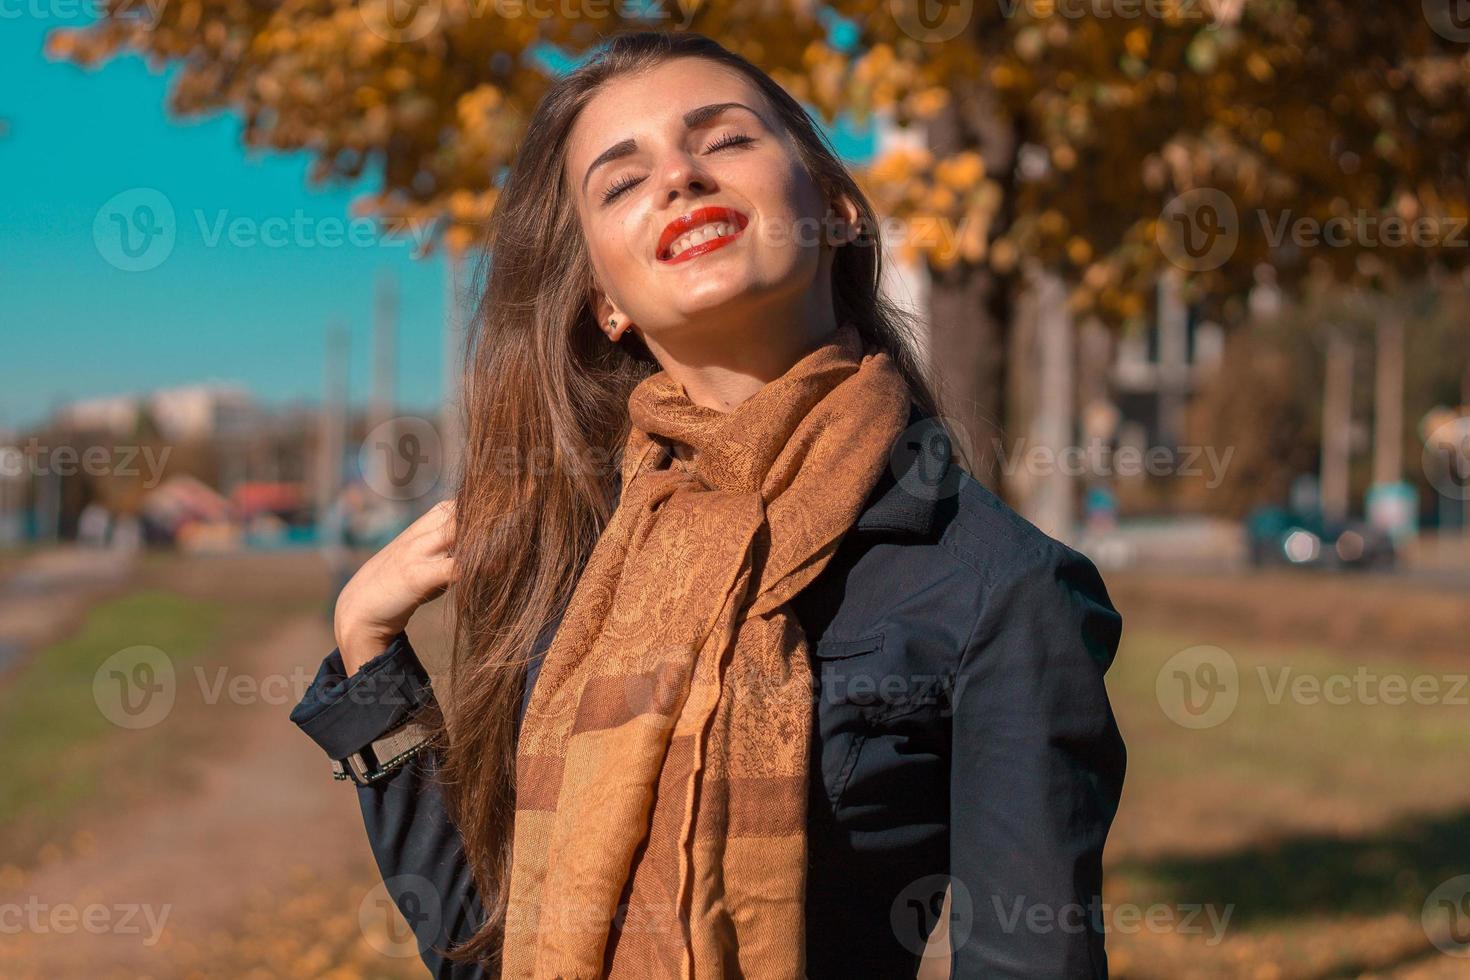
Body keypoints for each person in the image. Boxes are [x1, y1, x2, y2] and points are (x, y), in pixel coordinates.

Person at [290, 30, 1126, 979]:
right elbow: (493, 951)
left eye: (724, 140)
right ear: (605, 298)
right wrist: (369, 656)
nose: (679, 178)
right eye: (620, 181)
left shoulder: (995, 585)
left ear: (839, 209)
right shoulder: (594, 560)